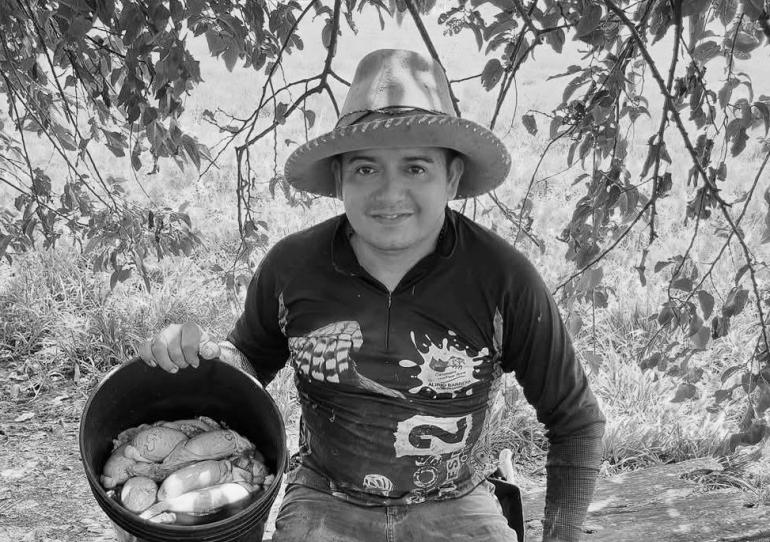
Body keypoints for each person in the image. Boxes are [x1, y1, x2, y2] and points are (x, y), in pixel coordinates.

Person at [139, 48, 605, 542]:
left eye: (416, 168)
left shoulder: (502, 278)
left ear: (452, 177)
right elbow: (248, 363)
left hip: (453, 499)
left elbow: (575, 420)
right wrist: (198, 356)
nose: (389, 194)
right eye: (365, 169)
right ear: (339, 177)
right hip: (324, 496)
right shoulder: (293, 267)